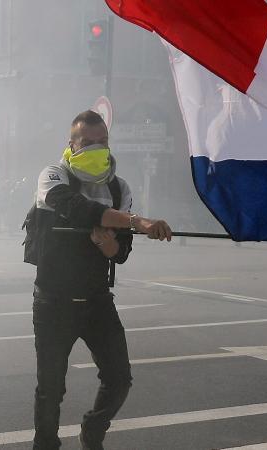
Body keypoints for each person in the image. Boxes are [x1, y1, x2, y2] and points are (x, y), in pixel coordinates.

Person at [27, 110, 173, 450]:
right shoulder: (53, 175)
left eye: (102, 142)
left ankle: (92, 429)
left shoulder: (119, 188)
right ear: (72, 144)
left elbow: (121, 252)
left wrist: (110, 243)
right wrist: (138, 221)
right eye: (88, 142)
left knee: (119, 380)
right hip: (53, 301)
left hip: (97, 301)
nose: (96, 148)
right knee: (51, 388)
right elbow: (75, 207)